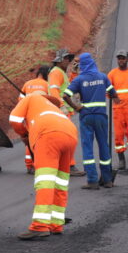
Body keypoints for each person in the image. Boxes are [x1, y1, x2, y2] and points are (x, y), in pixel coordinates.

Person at [9, 90, 78, 240]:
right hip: (70, 133)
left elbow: (14, 119)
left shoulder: (31, 98)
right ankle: (56, 224)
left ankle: (40, 226)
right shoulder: (53, 108)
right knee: (60, 182)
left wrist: (24, 134)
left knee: (45, 181)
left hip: (48, 135)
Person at [63, 53, 119, 190]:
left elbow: (65, 95)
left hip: (86, 116)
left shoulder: (79, 79)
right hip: (101, 116)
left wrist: (76, 107)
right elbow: (113, 94)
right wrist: (114, 97)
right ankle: (107, 180)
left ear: (83, 64)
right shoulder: (102, 77)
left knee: (87, 148)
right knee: (103, 146)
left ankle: (92, 181)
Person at [48, 49, 85, 177]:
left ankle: (63, 166)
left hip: (63, 112)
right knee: (69, 139)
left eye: (69, 58)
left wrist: (74, 74)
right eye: (66, 58)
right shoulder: (56, 72)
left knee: (65, 139)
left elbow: (68, 87)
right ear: (58, 60)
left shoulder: (60, 72)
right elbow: (54, 91)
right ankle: (69, 165)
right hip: (61, 112)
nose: (68, 61)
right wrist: (62, 107)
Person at [19, 65, 49, 174]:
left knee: (30, 138)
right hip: (41, 116)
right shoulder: (47, 85)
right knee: (40, 140)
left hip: (28, 116)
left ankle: (29, 165)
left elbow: (20, 101)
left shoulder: (27, 84)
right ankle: (40, 164)